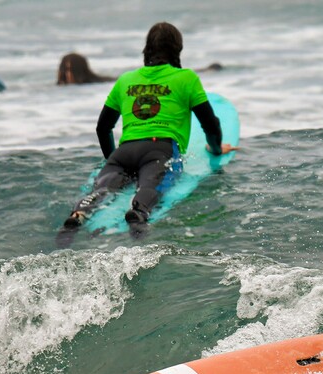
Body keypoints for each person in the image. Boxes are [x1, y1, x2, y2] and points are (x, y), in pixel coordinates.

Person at [59, 22, 235, 237]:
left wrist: (112, 160)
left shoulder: (126, 80)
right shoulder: (186, 78)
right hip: (159, 150)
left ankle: (79, 213)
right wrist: (215, 149)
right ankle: (138, 212)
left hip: (124, 152)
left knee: (101, 190)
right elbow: (210, 123)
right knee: (150, 187)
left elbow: (103, 127)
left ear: (147, 48)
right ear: (177, 49)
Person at [57, 52, 222, 85]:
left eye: (70, 70)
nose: (67, 74)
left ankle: (206, 69)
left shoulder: (93, 83)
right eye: (65, 70)